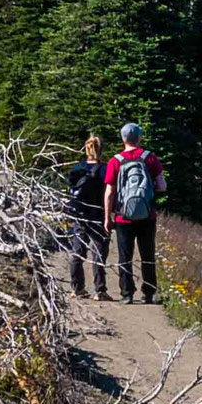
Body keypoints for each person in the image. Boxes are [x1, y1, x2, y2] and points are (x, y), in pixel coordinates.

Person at [104, 121, 165, 302]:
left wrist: (107, 217)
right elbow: (162, 186)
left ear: (123, 139)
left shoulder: (115, 161)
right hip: (147, 215)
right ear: (139, 138)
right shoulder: (149, 158)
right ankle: (149, 293)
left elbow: (110, 192)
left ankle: (127, 293)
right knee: (147, 254)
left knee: (125, 256)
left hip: (123, 216)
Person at [62, 132, 108, 294]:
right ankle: (100, 290)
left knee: (77, 251)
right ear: (101, 150)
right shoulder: (104, 169)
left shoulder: (77, 168)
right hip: (98, 214)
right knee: (99, 252)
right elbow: (109, 192)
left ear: (86, 149)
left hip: (79, 214)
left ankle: (77, 288)